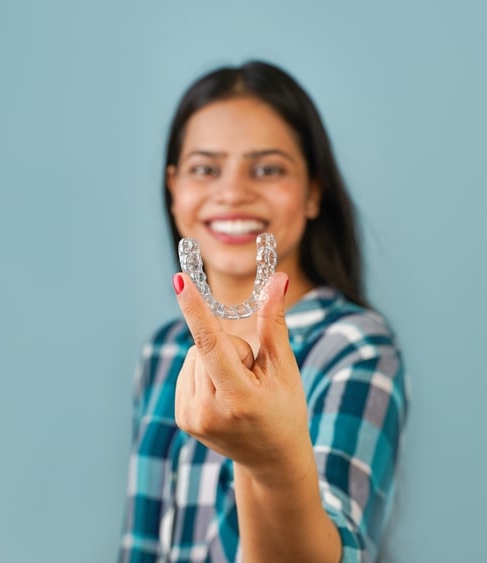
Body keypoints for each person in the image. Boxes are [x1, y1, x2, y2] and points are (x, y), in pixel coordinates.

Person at [119, 60, 408, 563]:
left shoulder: (355, 349)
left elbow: (334, 551)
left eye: (268, 169)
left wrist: (267, 462)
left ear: (314, 191)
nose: (232, 192)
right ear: (174, 191)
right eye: (205, 169)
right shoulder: (164, 351)